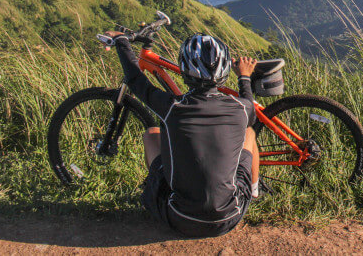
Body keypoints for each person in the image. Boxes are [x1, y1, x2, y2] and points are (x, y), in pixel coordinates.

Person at [104, 30, 259, 237]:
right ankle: (254, 190)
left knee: (151, 134)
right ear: (224, 71)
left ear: (184, 70)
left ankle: (158, 188)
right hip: (229, 217)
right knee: (249, 133)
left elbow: (135, 78)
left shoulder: (171, 107)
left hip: (179, 218)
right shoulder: (242, 108)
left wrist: (122, 41)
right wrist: (244, 77)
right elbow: (249, 104)